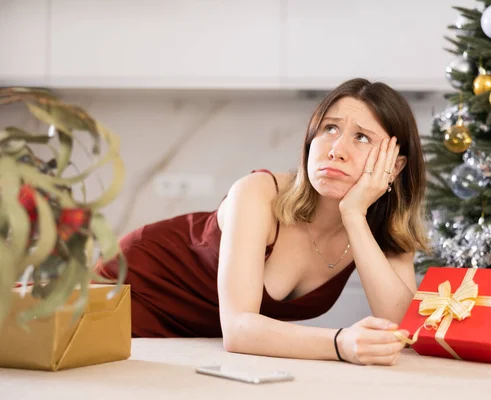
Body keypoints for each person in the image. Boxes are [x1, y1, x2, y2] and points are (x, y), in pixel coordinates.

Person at [95, 77, 429, 366]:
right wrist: (341, 343)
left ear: (395, 166)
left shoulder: (382, 226)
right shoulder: (257, 193)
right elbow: (239, 329)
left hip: (199, 343)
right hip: (131, 293)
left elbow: (402, 326)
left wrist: (354, 215)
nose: (336, 149)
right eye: (330, 128)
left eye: (362, 138)